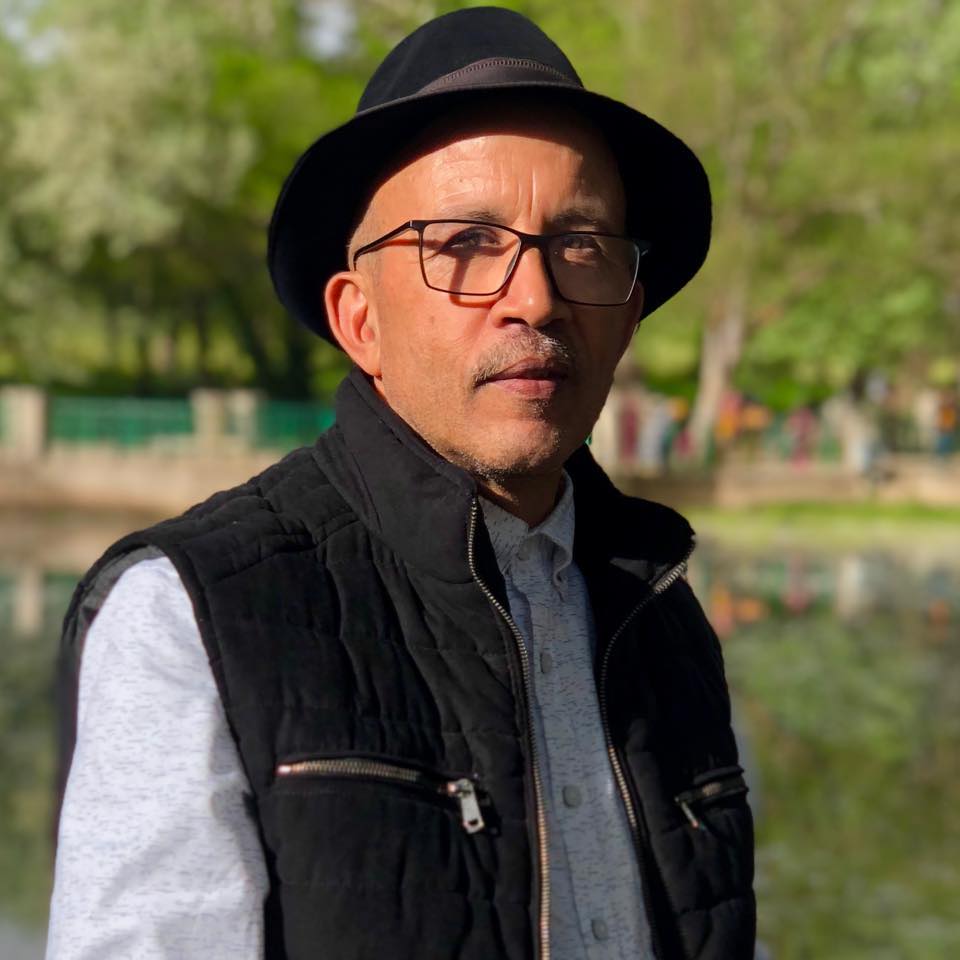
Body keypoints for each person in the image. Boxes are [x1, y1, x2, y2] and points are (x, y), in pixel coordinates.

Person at [47, 7, 755, 960]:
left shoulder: (659, 613)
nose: (536, 298)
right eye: (463, 244)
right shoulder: (191, 615)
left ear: (628, 315)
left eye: (582, 243)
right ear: (360, 320)